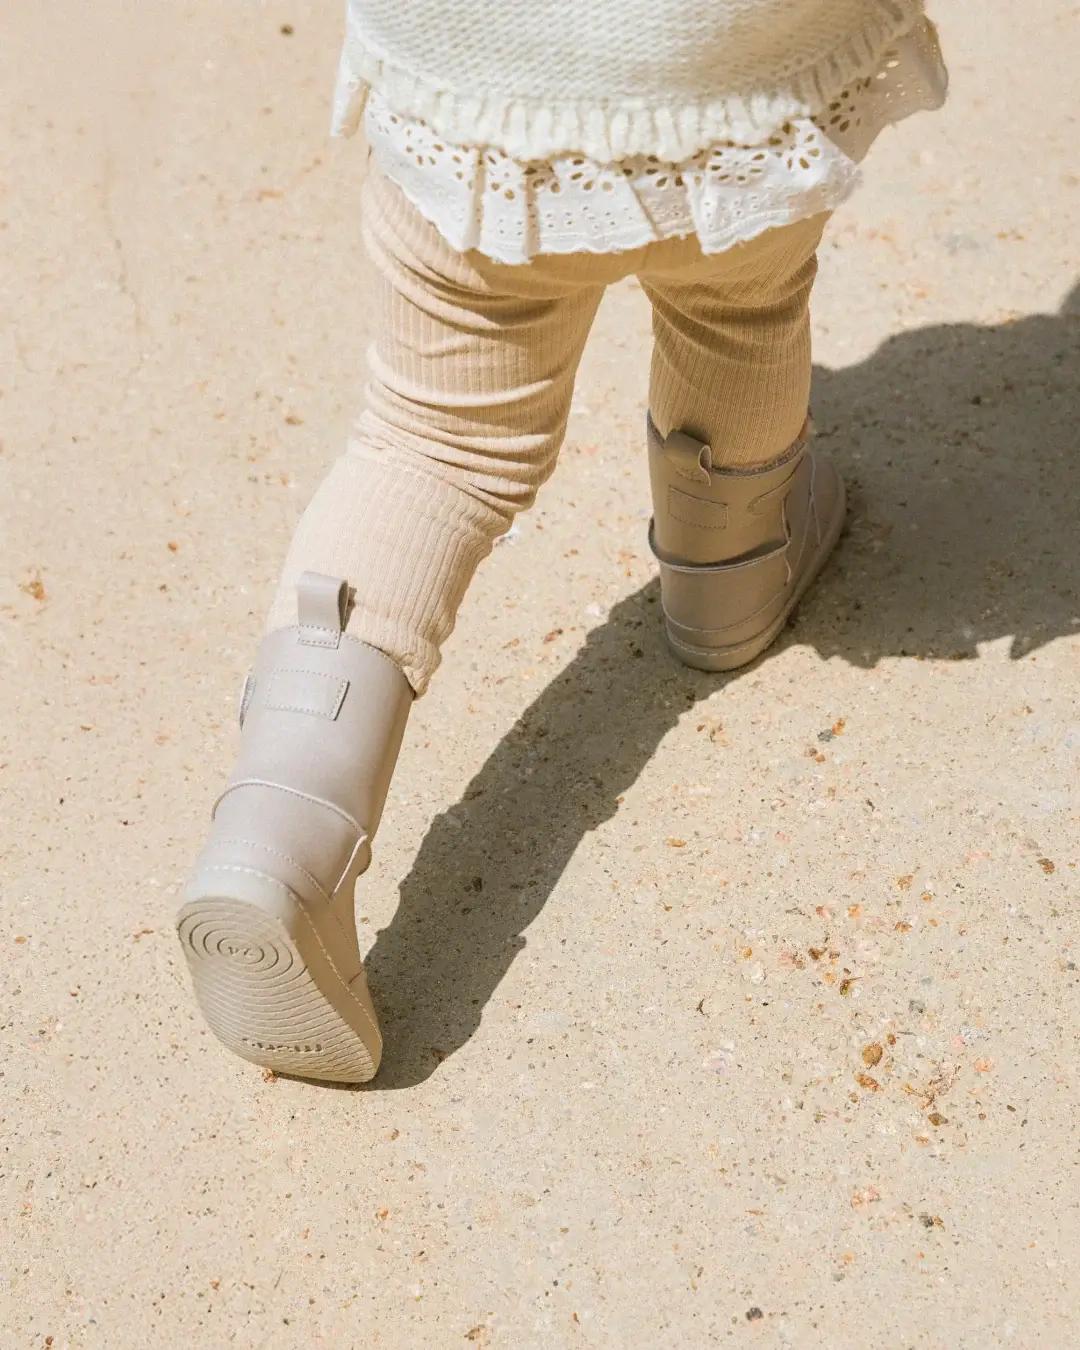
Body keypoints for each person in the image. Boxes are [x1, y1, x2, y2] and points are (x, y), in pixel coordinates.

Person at [176, 0, 947, 1083]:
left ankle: (283, 825)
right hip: (731, 83)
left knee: (432, 443)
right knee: (742, 312)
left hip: (481, 101)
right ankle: (728, 581)